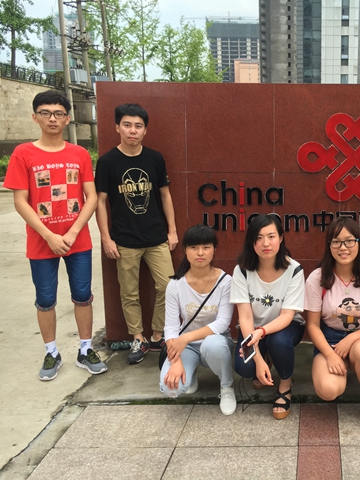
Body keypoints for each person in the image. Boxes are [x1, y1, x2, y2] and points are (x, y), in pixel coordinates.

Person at [4, 91, 107, 380]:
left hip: (78, 241)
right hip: (41, 242)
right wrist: (49, 235)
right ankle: (51, 353)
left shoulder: (79, 154)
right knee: (45, 298)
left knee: (83, 295)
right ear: (35, 117)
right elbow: (20, 201)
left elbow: (91, 197)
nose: (52, 118)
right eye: (46, 113)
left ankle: (85, 349)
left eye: (58, 113)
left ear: (67, 118)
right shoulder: (23, 153)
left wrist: (73, 231)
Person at [95, 104, 179, 364]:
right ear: (117, 127)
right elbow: (100, 202)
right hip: (124, 240)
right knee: (129, 293)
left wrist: (172, 230)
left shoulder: (155, 158)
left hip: (156, 237)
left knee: (168, 286)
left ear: (145, 130)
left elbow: (165, 195)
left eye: (138, 126)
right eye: (127, 125)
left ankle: (157, 335)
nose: (133, 130)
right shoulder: (107, 162)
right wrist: (106, 238)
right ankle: (138, 338)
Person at [305, 217, 360, 435]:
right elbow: (312, 325)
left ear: (358, 243)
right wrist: (330, 355)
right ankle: (343, 368)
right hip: (329, 340)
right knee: (328, 390)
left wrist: (351, 339)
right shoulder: (317, 278)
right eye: (336, 242)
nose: (343, 247)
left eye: (349, 241)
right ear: (329, 245)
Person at [230, 214, 305, 420]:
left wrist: (261, 332)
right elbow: (245, 317)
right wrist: (258, 359)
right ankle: (266, 357)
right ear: (251, 241)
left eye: (271, 236)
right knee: (245, 368)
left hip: (286, 326)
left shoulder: (294, 269)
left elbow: (287, 316)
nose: (265, 243)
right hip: (252, 328)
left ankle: (285, 384)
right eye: (259, 237)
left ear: (280, 238)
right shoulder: (242, 270)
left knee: (278, 341)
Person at [159, 224, 236, 415]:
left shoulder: (226, 281)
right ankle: (190, 373)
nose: (200, 253)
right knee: (171, 388)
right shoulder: (175, 285)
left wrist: (185, 338)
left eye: (206, 247)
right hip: (186, 347)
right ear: (185, 250)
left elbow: (222, 323)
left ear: (214, 250)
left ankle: (227, 386)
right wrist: (176, 360)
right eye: (194, 247)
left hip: (217, 342)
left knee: (213, 344)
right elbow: (171, 328)